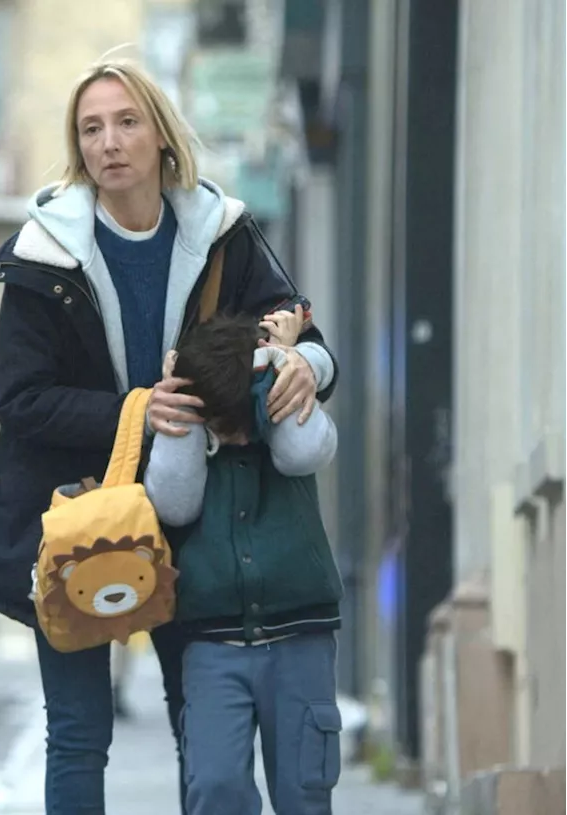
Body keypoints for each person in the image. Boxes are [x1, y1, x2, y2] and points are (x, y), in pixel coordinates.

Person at [0, 57, 340, 814]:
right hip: (76, 516)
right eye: (92, 128)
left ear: (162, 137)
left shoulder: (222, 234)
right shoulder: (42, 253)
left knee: (195, 724)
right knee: (78, 729)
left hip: (192, 517)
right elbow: (21, 399)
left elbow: (300, 326)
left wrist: (306, 362)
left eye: (127, 122)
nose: (110, 142)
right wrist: (138, 408)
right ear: (79, 148)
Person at [142, 312, 343, 814]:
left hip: (301, 637)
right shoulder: (195, 422)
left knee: (305, 793)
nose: (234, 435)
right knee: (214, 788)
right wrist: (184, 412)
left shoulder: (277, 419)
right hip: (214, 644)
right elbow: (174, 503)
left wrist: (280, 370)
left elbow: (303, 452)